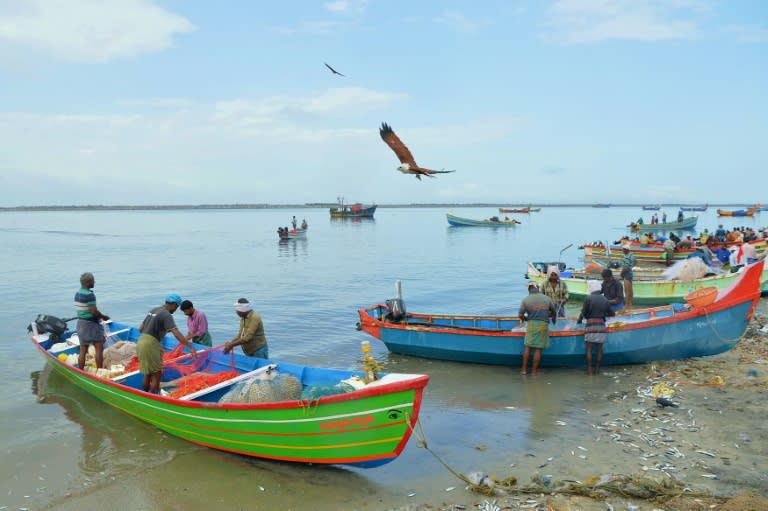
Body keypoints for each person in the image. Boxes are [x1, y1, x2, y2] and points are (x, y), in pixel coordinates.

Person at [137, 294, 197, 393]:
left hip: (141, 341)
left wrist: (160, 330)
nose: (175, 310)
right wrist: (190, 347)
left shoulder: (154, 310)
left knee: (148, 373)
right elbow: (176, 333)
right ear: (173, 304)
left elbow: (141, 329)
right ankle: (154, 398)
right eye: (176, 307)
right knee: (157, 373)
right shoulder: (166, 314)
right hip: (151, 343)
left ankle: (145, 395)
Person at [518, 282, 557, 376]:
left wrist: (526, 319)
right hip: (543, 324)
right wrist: (551, 318)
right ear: (538, 289)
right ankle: (534, 372)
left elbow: (520, 315)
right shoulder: (546, 298)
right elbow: (554, 311)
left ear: (529, 289)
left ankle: (523, 370)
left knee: (528, 346)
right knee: (538, 349)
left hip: (531, 324)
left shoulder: (526, 300)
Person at [577, 280, 615, 376]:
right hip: (601, 325)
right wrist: (604, 314)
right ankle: (597, 370)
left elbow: (583, 313)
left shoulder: (588, 298)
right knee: (599, 349)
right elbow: (612, 313)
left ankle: (589, 370)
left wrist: (579, 320)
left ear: (591, 288)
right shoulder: (605, 300)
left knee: (589, 348)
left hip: (590, 325)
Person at [74, 272, 110, 370]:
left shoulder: (78, 293)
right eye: (93, 280)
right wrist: (103, 317)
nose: (94, 282)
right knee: (99, 348)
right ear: (88, 282)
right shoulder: (89, 295)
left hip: (81, 324)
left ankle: (80, 371)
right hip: (91, 325)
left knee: (83, 350)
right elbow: (93, 311)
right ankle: (99, 371)